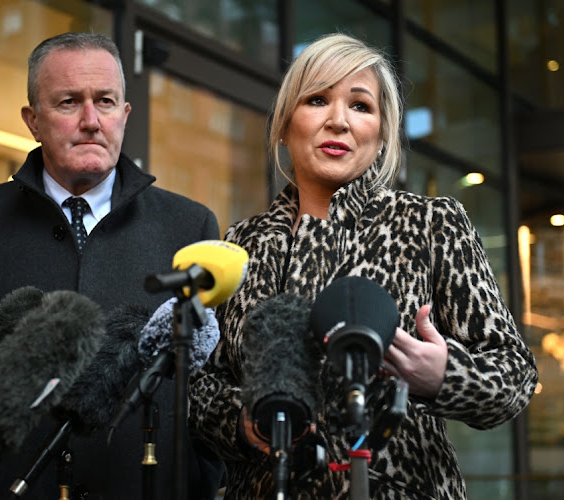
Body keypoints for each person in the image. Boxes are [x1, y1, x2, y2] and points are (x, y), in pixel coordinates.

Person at [188, 33, 538, 499]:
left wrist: (442, 375)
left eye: (360, 105)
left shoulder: (431, 223)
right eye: (316, 100)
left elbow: (515, 374)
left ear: (382, 130)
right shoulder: (241, 243)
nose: (338, 121)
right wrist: (242, 419)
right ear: (285, 124)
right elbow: (203, 385)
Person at [0, 32, 223, 499]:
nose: (90, 120)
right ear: (33, 120)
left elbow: (210, 388)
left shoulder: (190, 225)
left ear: (124, 115)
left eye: (105, 101)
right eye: (68, 102)